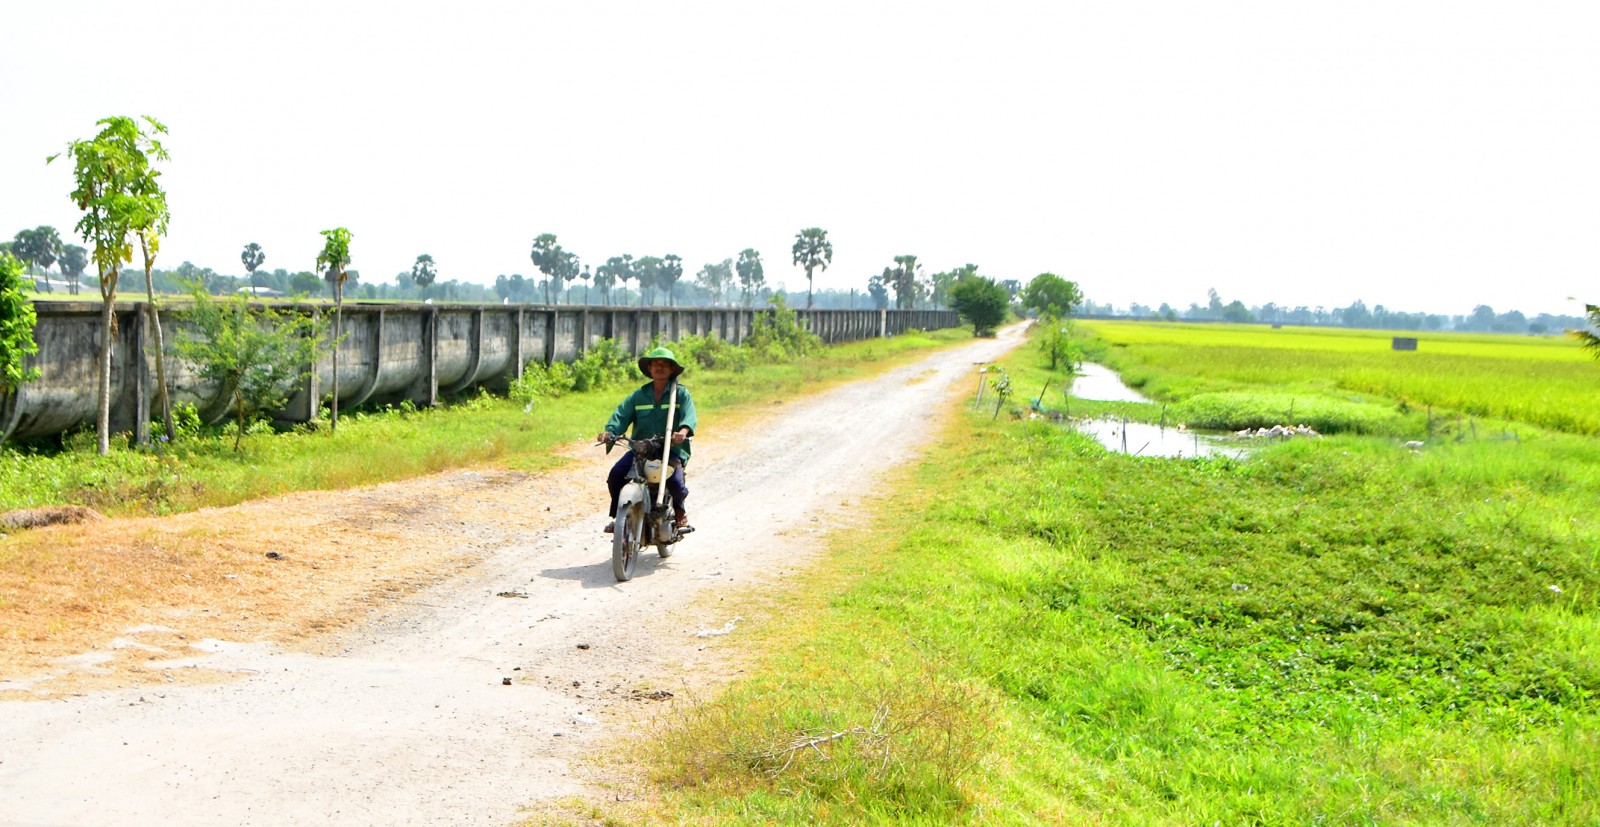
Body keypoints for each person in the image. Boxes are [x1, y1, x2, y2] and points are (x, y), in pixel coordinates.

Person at [597, 346, 696, 533]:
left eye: (664, 364)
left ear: (671, 369)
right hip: (641, 449)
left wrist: (682, 431)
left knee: (674, 481)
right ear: (649, 368)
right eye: (655, 364)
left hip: (669, 448)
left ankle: (680, 511)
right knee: (616, 475)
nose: (659, 367)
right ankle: (618, 518)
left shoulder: (680, 394)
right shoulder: (639, 395)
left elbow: (689, 417)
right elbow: (620, 416)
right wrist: (609, 432)